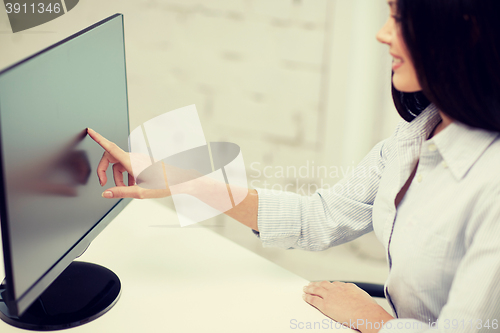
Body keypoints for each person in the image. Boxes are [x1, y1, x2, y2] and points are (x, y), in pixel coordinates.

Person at [87, 0, 500, 332]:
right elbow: (319, 218)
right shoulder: (416, 134)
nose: (383, 34)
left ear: (465, 31)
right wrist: (183, 180)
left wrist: (373, 319)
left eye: (400, 18)